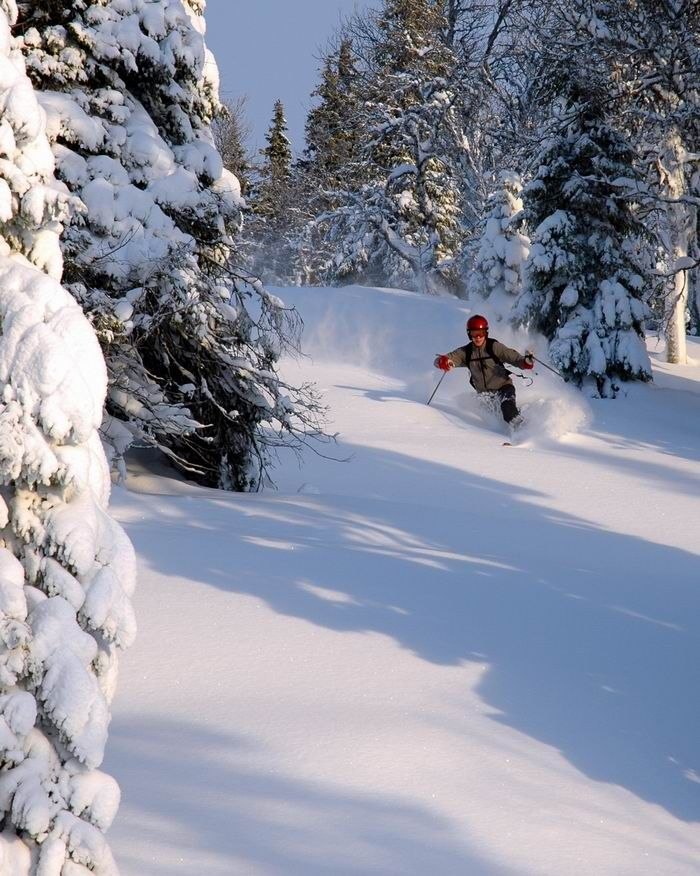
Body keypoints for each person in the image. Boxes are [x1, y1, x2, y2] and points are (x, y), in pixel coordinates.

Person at [434, 314, 534, 426]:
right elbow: (443, 359)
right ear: (469, 334)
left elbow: (516, 359)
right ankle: (504, 434)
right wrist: (443, 362)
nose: (477, 337)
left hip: (503, 388)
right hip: (485, 397)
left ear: (486, 333)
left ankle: (524, 431)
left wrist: (527, 362)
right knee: (495, 419)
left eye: (481, 334)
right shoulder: (466, 352)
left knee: (508, 410)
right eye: (474, 334)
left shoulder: (494, 347)